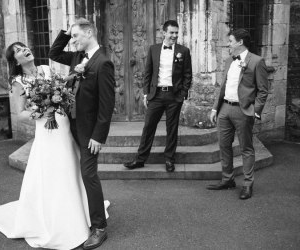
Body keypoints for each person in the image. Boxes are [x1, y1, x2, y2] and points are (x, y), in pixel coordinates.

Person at [0, 42, 109, 249]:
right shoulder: (17, 81)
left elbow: (63, 88)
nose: (25, 50)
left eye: (24, 46)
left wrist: (67, 88)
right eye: (19, 50)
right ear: (16, 60)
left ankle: (80, 211)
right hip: (46, 130)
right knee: (53, 171)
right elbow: (20, 113)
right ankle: (57, 220)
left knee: (71, 167)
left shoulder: (47, 69)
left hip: (63, 125)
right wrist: (41, 112)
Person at [49, 18, 115, 250]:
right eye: (72, 37)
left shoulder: (103, 63)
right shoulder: (76, 56)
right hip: (70, 126)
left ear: (89, 33)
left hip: (89, 131)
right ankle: (77, 215)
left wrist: (98, 136)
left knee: (88, 174)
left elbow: (107, 105)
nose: (73, 41)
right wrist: (67, 33)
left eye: (77, 36)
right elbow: (54, 53)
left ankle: (99, 227)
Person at [206, 29, 269, 200]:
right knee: (224, 145)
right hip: (224, 109)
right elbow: (222, 87)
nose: (229, 44)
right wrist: (214, 109)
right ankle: (227, 180)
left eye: (231, 41)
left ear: (240, 42)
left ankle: (248, 184)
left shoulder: (257, 61)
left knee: (246, 148)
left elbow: (263, 91)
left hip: (243, 111)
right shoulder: (229, 61)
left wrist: (255, 112)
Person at [124, 20, 192, 172]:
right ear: (164, 33)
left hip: (174, 96)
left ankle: (169, 159)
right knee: (148, 127)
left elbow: (188, 75)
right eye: (171, 32)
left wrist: (182, 94)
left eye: (176, 32)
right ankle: (140, 159)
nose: (174, 35)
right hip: (156, 95)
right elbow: (148, 73)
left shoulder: (184, 51)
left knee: (172, 128)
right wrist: (146, 94)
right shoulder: (153, 49)